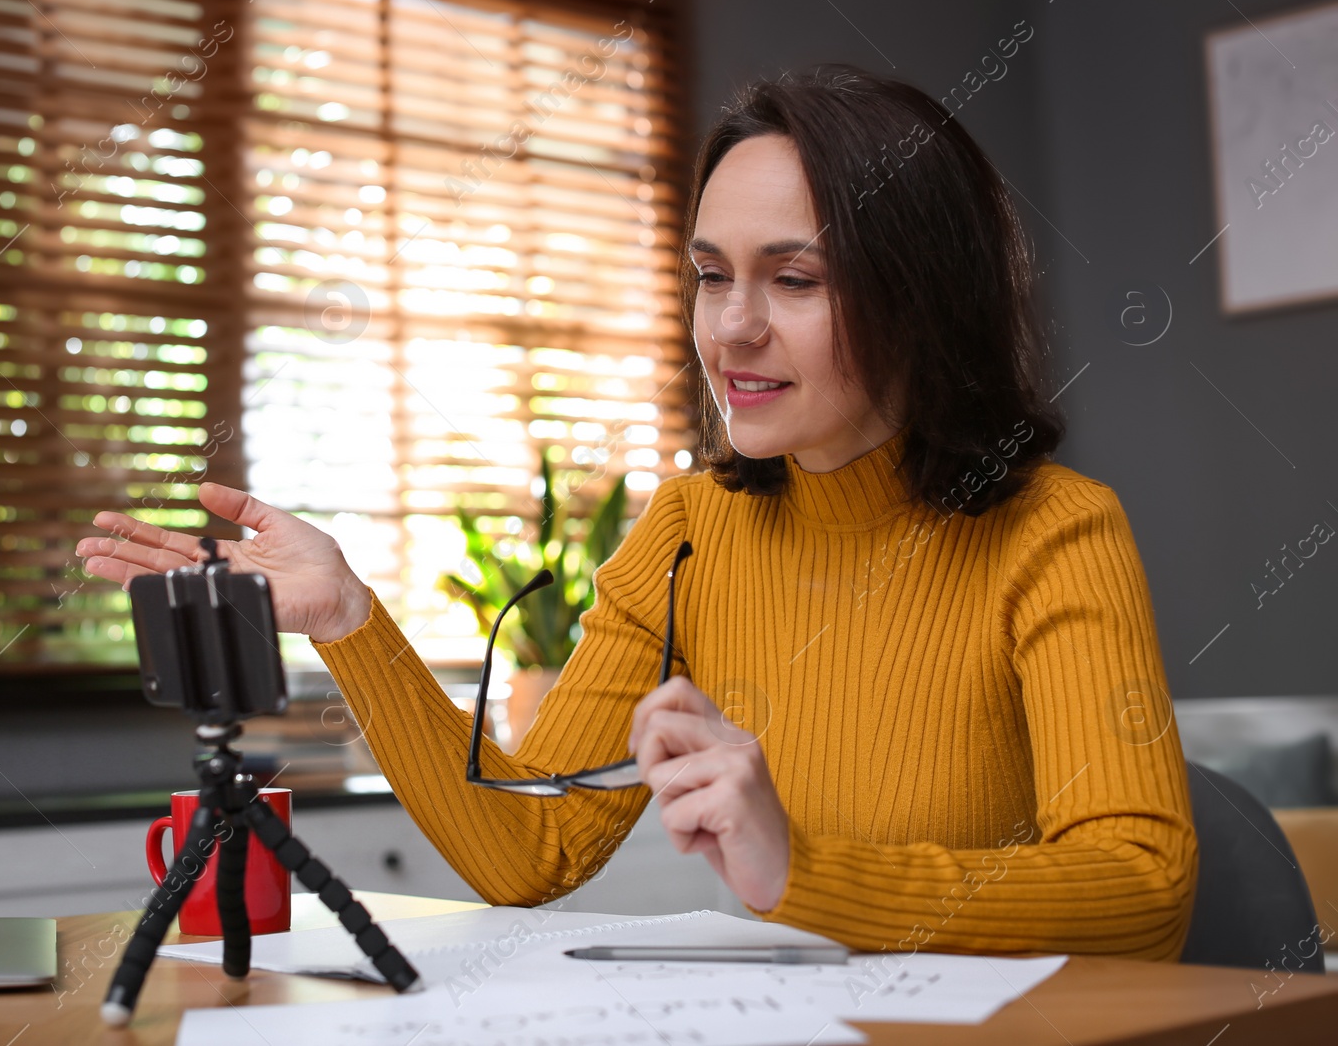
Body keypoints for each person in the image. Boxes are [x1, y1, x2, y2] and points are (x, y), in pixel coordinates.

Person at [78, 64, 1197, 960]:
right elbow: (530, 846)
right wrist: (350, 618)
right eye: (712, 275)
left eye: (794, 280)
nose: (732, 331)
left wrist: (800, 867)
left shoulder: (1055, 530)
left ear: (922, 297)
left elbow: (1143, 888)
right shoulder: (686, 529)